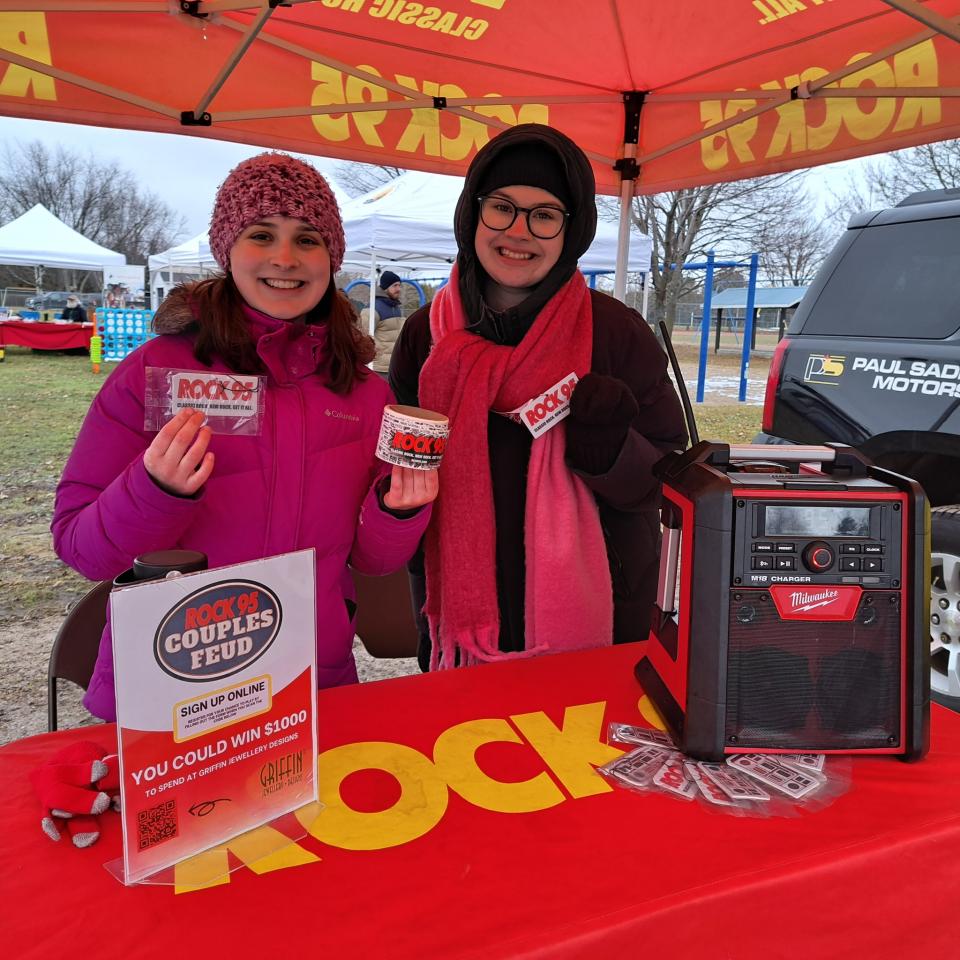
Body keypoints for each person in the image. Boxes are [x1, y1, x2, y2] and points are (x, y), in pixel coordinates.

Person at [52, 152, 439, 722]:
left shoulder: (362, 393)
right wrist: (156, 489)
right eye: (262, 235)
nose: (285, 258)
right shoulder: (156, 371)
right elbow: (80, 547)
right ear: (226, 250)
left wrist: (397, 512)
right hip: (173, 689)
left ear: (330, 259)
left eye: (308, 239)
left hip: (310, 678)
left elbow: (372, 561)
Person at [389, 123, 687, 673]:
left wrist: (612, 453)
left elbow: (672, 479)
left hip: (600, 609)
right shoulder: (424, 336)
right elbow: (395, 475)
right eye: (501, 207)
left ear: (570, 232)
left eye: (544, 215)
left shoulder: (615, 332)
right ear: (472, 214)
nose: (518, 231)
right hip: (459, 615)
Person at [362, 269, 406, 377]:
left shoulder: (396, 308)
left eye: (399, 285)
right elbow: (362, 335)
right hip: (378, 368)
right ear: (386, 287)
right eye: (395, 285)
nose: (398, 289)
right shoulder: (373, 308)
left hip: (394, 366)